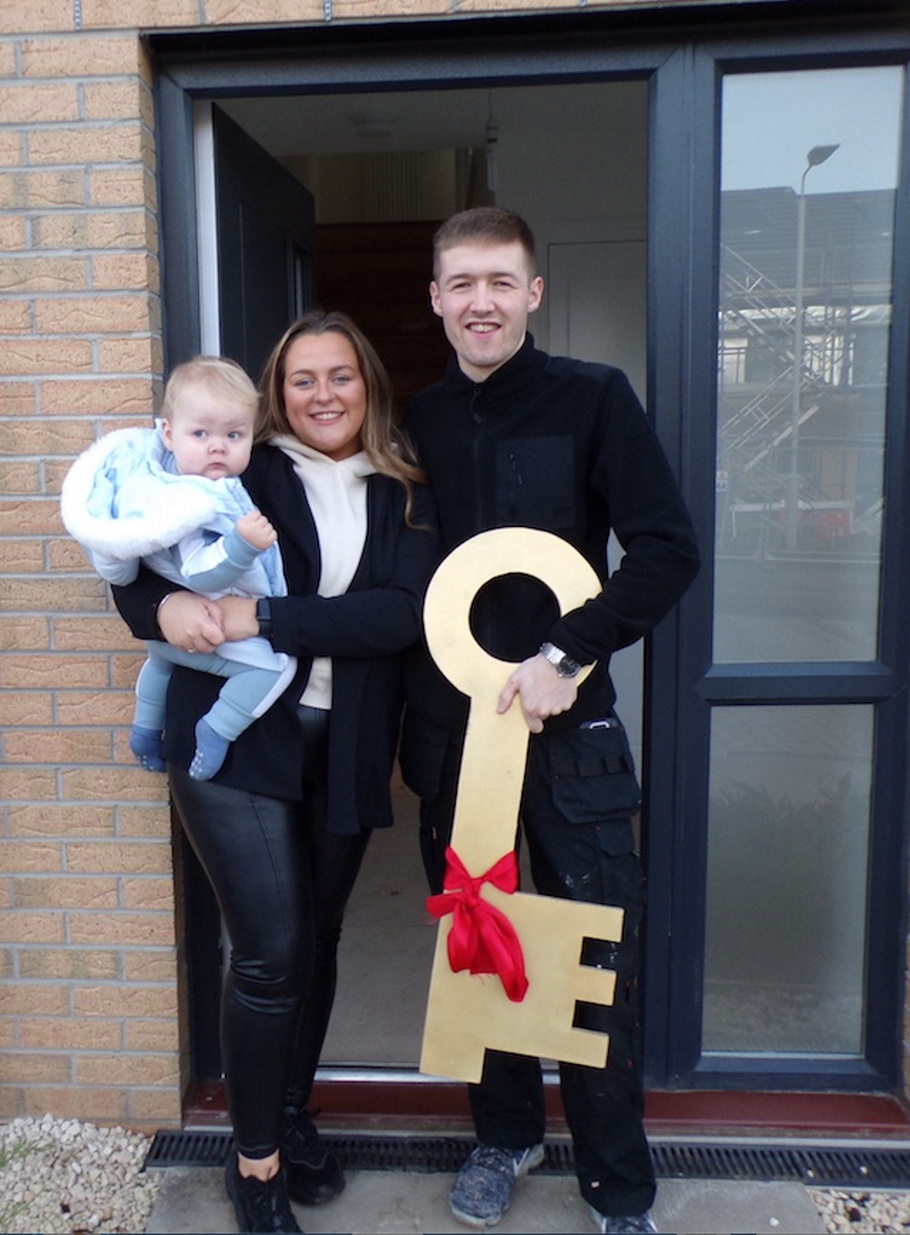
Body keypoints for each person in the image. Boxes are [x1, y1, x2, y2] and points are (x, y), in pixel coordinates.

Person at [400, 207, 700, 1235]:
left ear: (533, 292)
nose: (480, 300)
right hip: (454, 736)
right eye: (460, 283)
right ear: (435, 299)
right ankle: (504, 1133)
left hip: (571, 736)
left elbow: (666, 550)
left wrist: (567, 652)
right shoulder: (418, 422)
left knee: (593, 951)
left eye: (500, 281)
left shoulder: (593, 400)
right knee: (481, 940)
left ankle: (617, 1185)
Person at [110, 311, 440, 1235]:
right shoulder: (236, 463)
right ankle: (252, 1161)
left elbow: (399, 615)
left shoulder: (407, 488)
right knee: (268, 952)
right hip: (234, 736)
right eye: (303, 379)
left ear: (367, 385)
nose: (324, 394)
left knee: (319, 939)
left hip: (350, 737)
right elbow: (136, 559)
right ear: (276, 392)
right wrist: (164, 602)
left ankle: (290, 1116)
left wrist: (270, 621)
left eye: (341, 376)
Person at [61, 356, 296, 782]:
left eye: (234, 434)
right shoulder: (192, 500)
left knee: (160, 663)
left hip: (166, 639)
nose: (217, 446)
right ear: (167, 433)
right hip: (205, 625)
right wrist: (242, 545)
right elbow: (200, 573)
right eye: (201, 433)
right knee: (274, 668)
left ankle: (145, 731)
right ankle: (218, 728)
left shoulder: (164, 481)